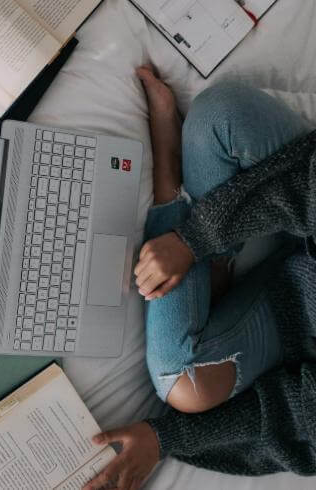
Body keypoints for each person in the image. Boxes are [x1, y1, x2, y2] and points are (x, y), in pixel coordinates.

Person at [83, 66, 316, 490]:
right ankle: (211, 256)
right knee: (218, 114)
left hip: (296, 312)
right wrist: (194, 240)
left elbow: (299, 412)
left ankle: (170, 189)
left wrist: (165, 437)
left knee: (181, 382)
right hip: (306, 203)